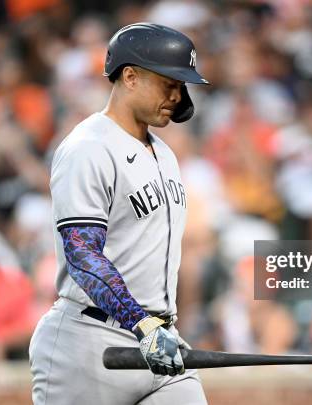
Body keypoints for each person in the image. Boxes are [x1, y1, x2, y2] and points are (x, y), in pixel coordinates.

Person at [29, 23, 209, 404]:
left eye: (181, 86)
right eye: (170, 84)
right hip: (88, 346)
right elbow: (82, 255)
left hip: (160, 340)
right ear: (130, 77)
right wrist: (140, 323)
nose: (178, 96)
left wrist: (154, 328)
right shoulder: (88, 148)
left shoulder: (165, 153)